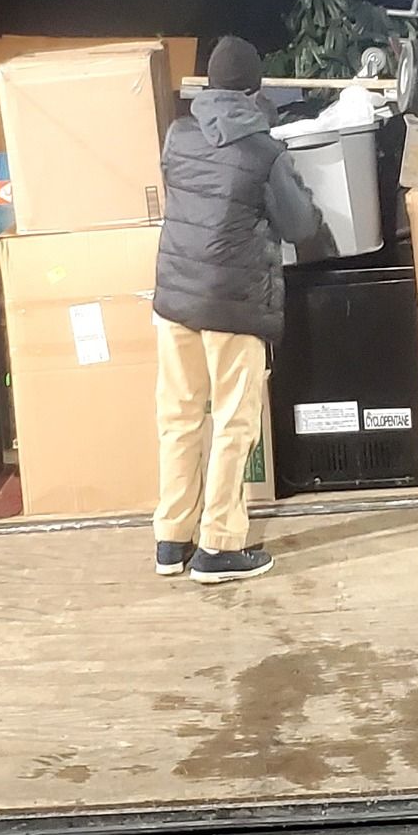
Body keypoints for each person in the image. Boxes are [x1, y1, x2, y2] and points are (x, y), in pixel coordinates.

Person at [152, 34, 327, 583]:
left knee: (179, 419)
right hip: (233, 304)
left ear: (208, 83)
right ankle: (220, 546)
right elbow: (301, 226)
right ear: (255, 89)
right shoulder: (264, 151)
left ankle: (171, 539)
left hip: (176, 298)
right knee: (233, 422)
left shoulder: (177, 136)